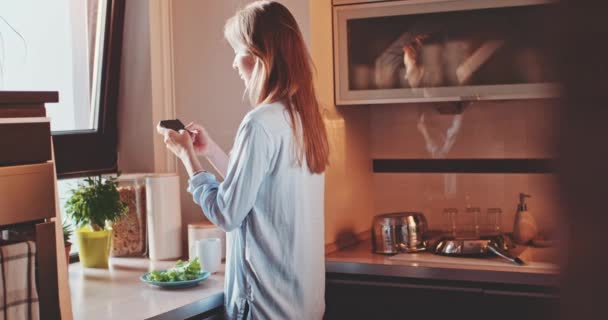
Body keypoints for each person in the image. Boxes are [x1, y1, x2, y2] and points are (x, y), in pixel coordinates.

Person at [157, 1, 329, 319]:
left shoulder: (259, 122)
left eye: (238, 51)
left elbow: (227, 213)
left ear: (260, 55)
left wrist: (188, 158)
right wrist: (211, 153)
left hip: (265, 308)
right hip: (301, 306)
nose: (235, 63)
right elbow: (260, 192)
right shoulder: (303, 117)